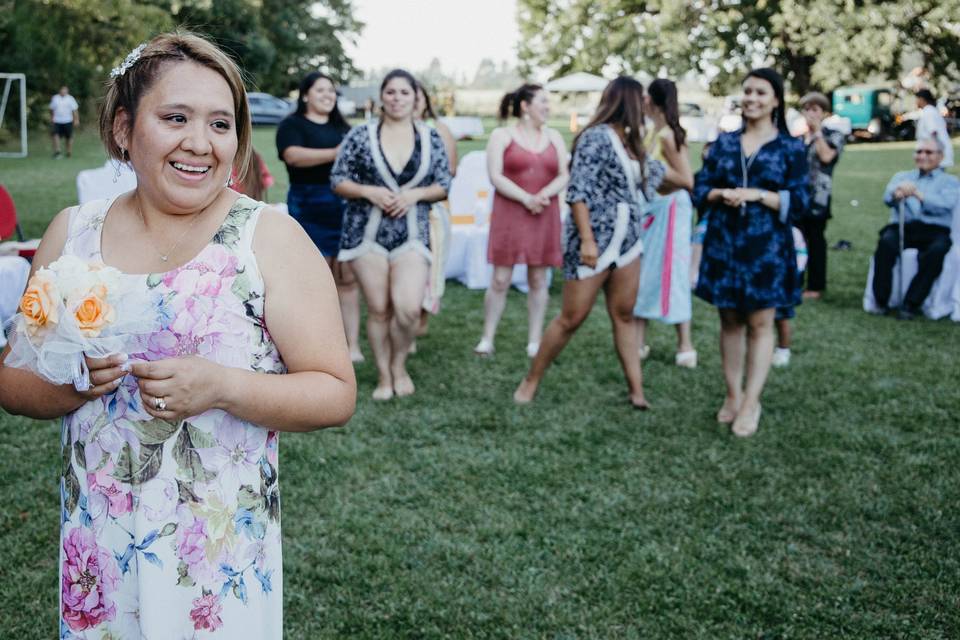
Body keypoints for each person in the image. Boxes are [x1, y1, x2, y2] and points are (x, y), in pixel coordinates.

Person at [0, 33, 356, 638]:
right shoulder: (72, 234)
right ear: (122, 128)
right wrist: (73, 384)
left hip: (214, 560)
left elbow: (334, 392)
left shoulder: (267, 239)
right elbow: (12, 380)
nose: (200, 142)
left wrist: (222, 386)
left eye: (221, 123)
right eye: (175, 118)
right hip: (99, 550)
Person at [514, 76, 685, 408]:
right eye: (643, 99)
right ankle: (530, 381)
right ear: (629, 102)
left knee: (624, 315)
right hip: (594, 238)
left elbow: (662, 178)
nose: (648, 105)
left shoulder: (633, 142)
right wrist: (588, 241)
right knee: (571, 318)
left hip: (628, 242)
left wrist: (686, 175)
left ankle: (637, 391)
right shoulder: (595, 138)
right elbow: (578, 192)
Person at [692, 68, 809, 437]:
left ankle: (751, 401)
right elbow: (701, 186)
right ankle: (733, 394)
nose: (752, 98)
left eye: (761, 92)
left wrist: (759, 195)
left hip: (767, 248)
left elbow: (803, 201)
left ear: (776, 100)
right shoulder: (725, 142)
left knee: (760, 324)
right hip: (724, 243)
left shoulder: (790, 148)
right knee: (729, 321)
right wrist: (717, 194)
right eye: (747, 92)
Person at [331, 68, 451, 400]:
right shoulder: (360, 135)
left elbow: (444, 184)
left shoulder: (430, 137)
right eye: (391, 92)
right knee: (379, 309)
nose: (397, 99)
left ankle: (400, 363)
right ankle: (385, 376)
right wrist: (368, 191)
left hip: (412, 233)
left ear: (416, 98)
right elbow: (338, 179)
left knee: (408, 307)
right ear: (382, 96)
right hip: (365, 234)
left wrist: (414, 195)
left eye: (404, 93)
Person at [474, 83, 568, 358]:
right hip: (510, 213)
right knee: (501, 278)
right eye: (543, 102)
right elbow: (496, 175)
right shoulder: (502, 135)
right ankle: (487, 337)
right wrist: (526, 198)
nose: (548, 107)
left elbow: (564, 173)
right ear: (525, 106)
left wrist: (542, 195)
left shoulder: (555, 137)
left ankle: (535, 340)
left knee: (539, 278)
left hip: (544, 213)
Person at [276, 71, 363, 362]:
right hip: (309, 205)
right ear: (305, 95)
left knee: (347, 278)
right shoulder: (292, 125)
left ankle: (352, 345)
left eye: (332, 91)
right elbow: (293, 156)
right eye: (321, 90)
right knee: (316, 278)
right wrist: (337, 152)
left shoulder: (343, 127)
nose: (328, 95)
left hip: (345, 208)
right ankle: (314, 344)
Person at [772, 91, 845, 367]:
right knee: (795, 239)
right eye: (807, 109)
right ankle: (797, 281)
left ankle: (816, 285)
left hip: (819, 197)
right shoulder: (796, 137)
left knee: (816, 240)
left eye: (816, 109)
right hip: (797, 198)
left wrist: (815, 134)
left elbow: (827, 158)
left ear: (824, 112)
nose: (811, 113)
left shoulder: (833, 135)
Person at [632, 78, 697, 368]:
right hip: (651, 211)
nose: (641, 101)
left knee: (674, 274)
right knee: (644, 274)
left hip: (671, 211)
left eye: (645, 97)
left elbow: (687, 181)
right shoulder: (650, 133)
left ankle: (685, 346)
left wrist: (653, 167)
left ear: (654, 102)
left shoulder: (668, 137)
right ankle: (638, 342)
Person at [871, 136, 959, 319]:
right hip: (905, 226)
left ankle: (911, 303)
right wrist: (897, 193)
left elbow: (945, 204)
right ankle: (881, 301)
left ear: (940, 156)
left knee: (937, 251)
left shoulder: (950, 181)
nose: (922, 156)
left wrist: (919, 194)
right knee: (886, 244)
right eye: (919, 151)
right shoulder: (903, 176)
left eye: (928, 152)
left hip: (934, 231)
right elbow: (887, 198)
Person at [413, 81, 457, 344]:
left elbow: (450, 171)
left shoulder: (439, 129)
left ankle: (422, 316)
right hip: (394, 212)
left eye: (418, 95)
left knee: (430, 265)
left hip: (431, 210)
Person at [915, 89, 954, 168]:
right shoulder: (931, 110)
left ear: (922, 99)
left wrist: (932, 152)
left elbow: (933, 132)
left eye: (917, 99)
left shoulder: (929, 112)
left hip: (936, 152)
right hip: (935, 151)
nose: (916, 102)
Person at [50, 85, 79, 158]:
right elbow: (52, 109)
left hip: (68, 120)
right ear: (60, 90)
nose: (63, 91)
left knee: (68, 137)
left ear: (67, 91)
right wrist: (52, 118)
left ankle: (68, 152)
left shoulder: (70, 98)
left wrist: (76, 120)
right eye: (62, 90)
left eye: (65, 90)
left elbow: (75, 110)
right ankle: (57, 151)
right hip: (57, 120)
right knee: (55, 135)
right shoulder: (55, 98)